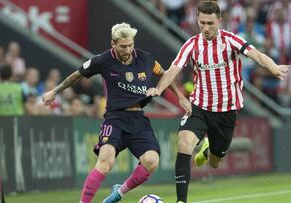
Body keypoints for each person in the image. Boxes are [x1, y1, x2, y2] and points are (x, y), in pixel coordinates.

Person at [146, 2, 290, 203]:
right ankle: (181, 200)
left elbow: (256, 54)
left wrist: (273, 67)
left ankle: (208, 149)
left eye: (210, 23)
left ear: (219, 21)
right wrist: (159, 89)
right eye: (201, 23)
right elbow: (173, 69)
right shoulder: (191, 44)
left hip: (226, 111)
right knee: (184, 144)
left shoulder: (231, 41)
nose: (205, 28)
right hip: (199, 106)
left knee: (215, 162)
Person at [42, 22, 190, 203]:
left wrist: (178, 96)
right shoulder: (103, 60)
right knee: (105, 162)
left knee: (152, 161)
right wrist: (55, 91)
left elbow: (166, 74)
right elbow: (76, 75)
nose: (127, 50)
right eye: (123, 46)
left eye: (130, 45)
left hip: (138, 119)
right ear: (113, 43)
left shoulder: (146, 59)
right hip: (115, 118)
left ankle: (119, 193)